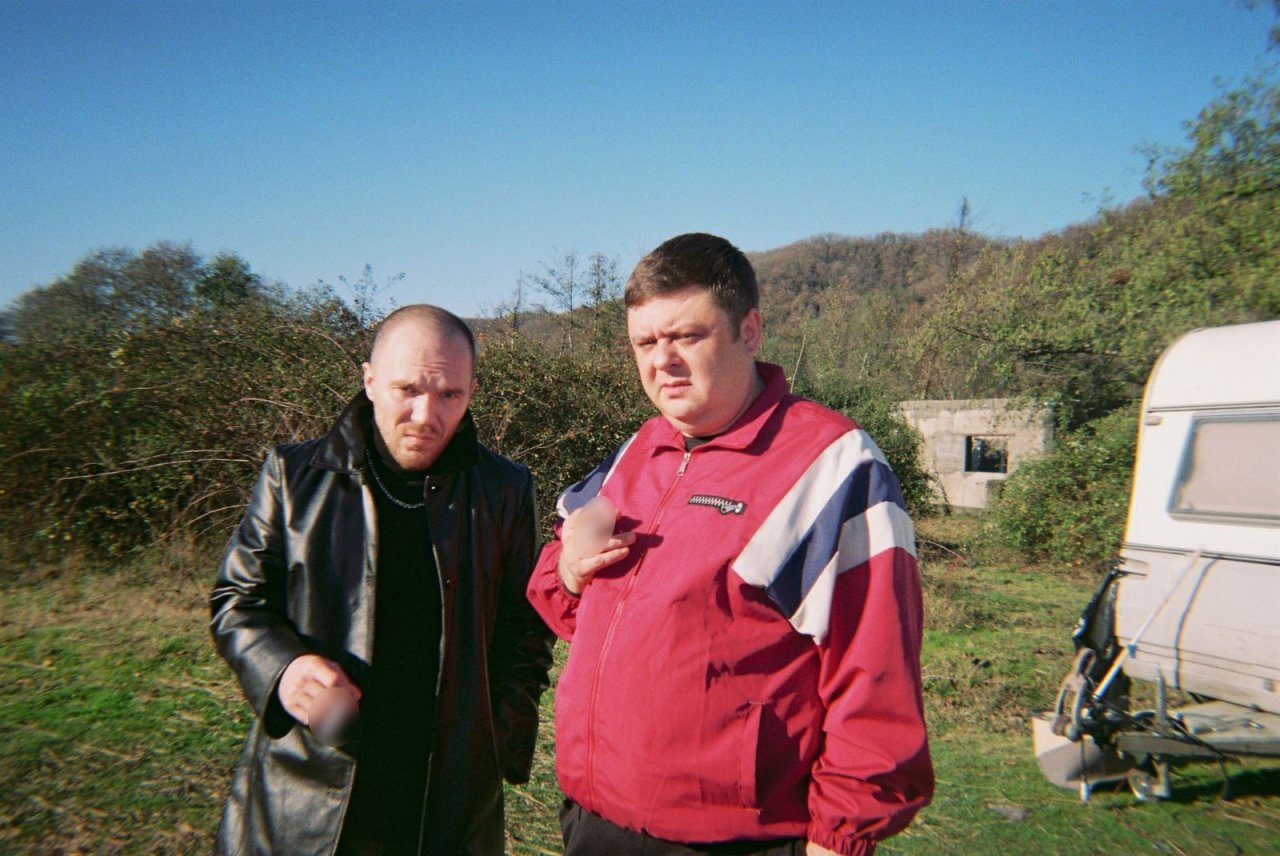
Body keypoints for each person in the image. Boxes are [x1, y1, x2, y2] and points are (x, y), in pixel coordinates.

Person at [527, 234, 933, 856]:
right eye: (645, 343)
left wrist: (841, 837)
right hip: (596, 822)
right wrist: (572, 574)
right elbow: (557, 590)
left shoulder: (833, 465)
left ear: (750, 331)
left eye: (687, 336)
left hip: (735, 838)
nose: (663, 361)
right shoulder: (635, 453)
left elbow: (875, 674)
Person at [210, 304, 554, 855]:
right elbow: (237, 599)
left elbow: (526, 626)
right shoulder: (293, 477)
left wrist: (497, 734)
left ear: (472, 391)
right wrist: (283, 668)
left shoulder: (505, 489)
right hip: (310, 786)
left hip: (448, 795)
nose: (426, 414)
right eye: (406, 389)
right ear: (370, 381)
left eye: (450, 394)